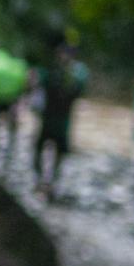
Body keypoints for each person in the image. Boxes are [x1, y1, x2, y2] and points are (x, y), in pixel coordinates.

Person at [31, 40, 88, 197]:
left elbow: (78, 91)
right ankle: (41, 180)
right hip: (50, 119)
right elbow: (37, 83)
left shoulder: (75, 73)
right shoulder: (52, 71)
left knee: (58, 153)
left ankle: (50, 183)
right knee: (38, 149)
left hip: (62, 121)